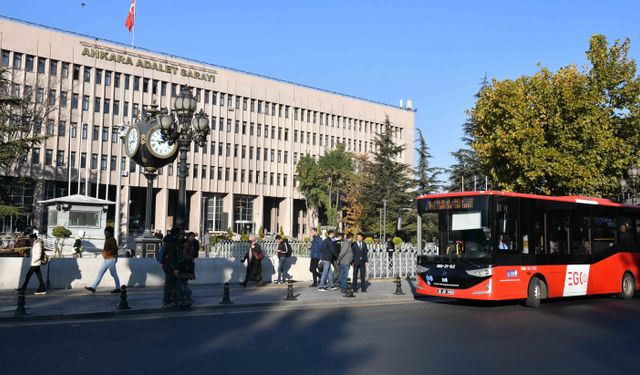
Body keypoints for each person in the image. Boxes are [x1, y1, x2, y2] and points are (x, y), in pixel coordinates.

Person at [85, 226, 120, 293]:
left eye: (107, 231)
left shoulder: (112, 239)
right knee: (100, 273)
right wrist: (105, 253)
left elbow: (115, 249)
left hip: (110, 259)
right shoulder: (108, 239)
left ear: (110, 232)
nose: (105, 232)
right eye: (105, 231)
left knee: (113, 274)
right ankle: (93, 287)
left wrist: (106, 253)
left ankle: (118, 288)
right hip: (106, 259)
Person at [161, 227, 181, 307]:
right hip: (170, 267)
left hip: (166, 265)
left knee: (171, 283)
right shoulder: (172, 244)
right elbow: (172, 257)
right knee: (170, 283)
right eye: (178, 234)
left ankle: (171, 298)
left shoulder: (167, 241)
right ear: (176, 234)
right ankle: (167, 299)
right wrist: (175, 269)